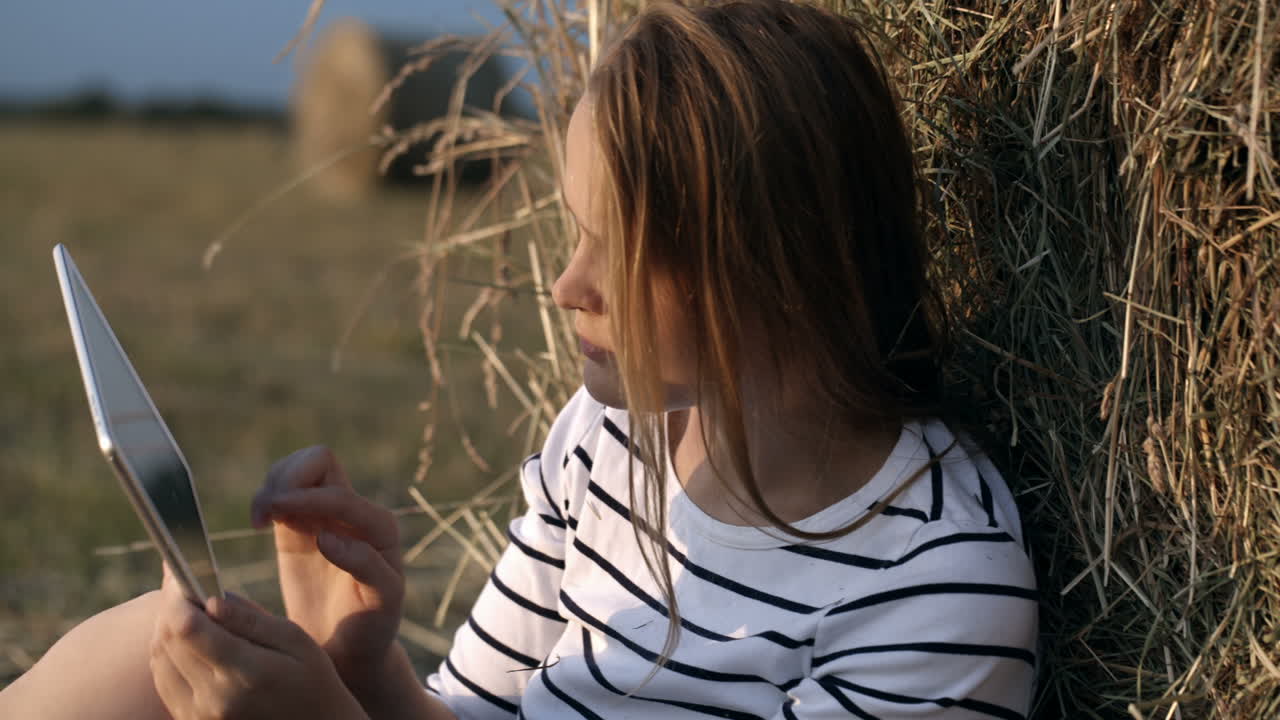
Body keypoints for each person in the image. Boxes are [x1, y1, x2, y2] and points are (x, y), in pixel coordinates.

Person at [0, 1, 1039, 718]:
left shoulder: (932, 583)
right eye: (568, 231)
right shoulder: (605, 440)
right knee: (157, 642)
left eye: (613, 248)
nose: (566, 286)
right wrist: (365, 667)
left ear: (765, 265)